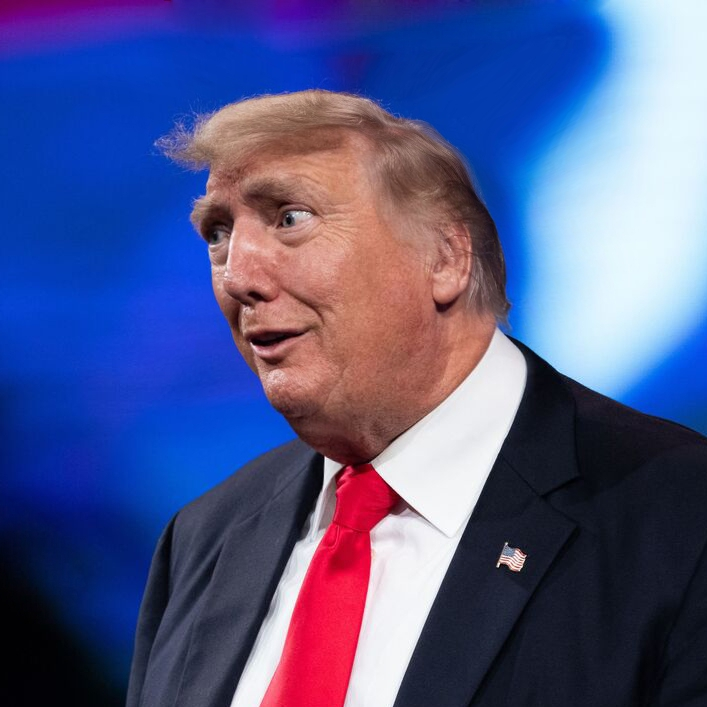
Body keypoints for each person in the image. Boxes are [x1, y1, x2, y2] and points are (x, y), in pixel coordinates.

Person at [126, 90, 707, 707]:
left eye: (290, 218)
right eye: (218, 233)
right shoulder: (205, 538)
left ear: (445, 258)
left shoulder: (679, 514)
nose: (238, 277)